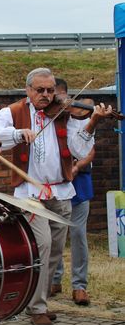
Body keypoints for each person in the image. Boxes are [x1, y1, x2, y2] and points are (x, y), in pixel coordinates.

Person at [0, 68, 111, 325]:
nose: (47, 95)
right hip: (30, 194)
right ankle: (37, 307)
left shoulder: (64, 113)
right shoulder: (14, 112)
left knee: (54, 252)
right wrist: (18, 134)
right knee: (42, 244)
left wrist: (93, 122)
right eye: (40, 90)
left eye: (51, 90)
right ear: (28, 90)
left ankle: (37, 301)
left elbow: (79, 149)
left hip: (60, 190)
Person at [51, 77, 93, 306]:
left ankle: (79, 285)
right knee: (55, 234)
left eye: (58, 96)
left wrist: (76, 166)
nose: (55, 101)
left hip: (79, 181)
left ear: (67, 95)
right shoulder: (47, 120)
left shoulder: (77, 119)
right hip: (56, 183)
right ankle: (55, 279)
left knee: (77, 234)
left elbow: (90, 150)